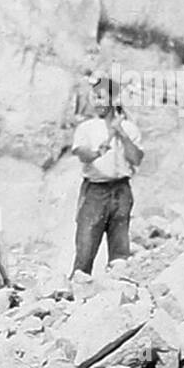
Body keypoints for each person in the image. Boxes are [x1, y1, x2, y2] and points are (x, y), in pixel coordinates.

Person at [70, 76, 145, 275]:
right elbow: (82, 155)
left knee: (120, 250)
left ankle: (118, 292)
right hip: (95, 191)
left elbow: (136, 159)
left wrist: (120, 133)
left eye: (102, 97)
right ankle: (77, 290)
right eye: (95, 97)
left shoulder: (129, 128)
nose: (97, 102)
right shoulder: (86, 128)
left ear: (114, 99)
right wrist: (96, 153)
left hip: (121, 191)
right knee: (85, 248)